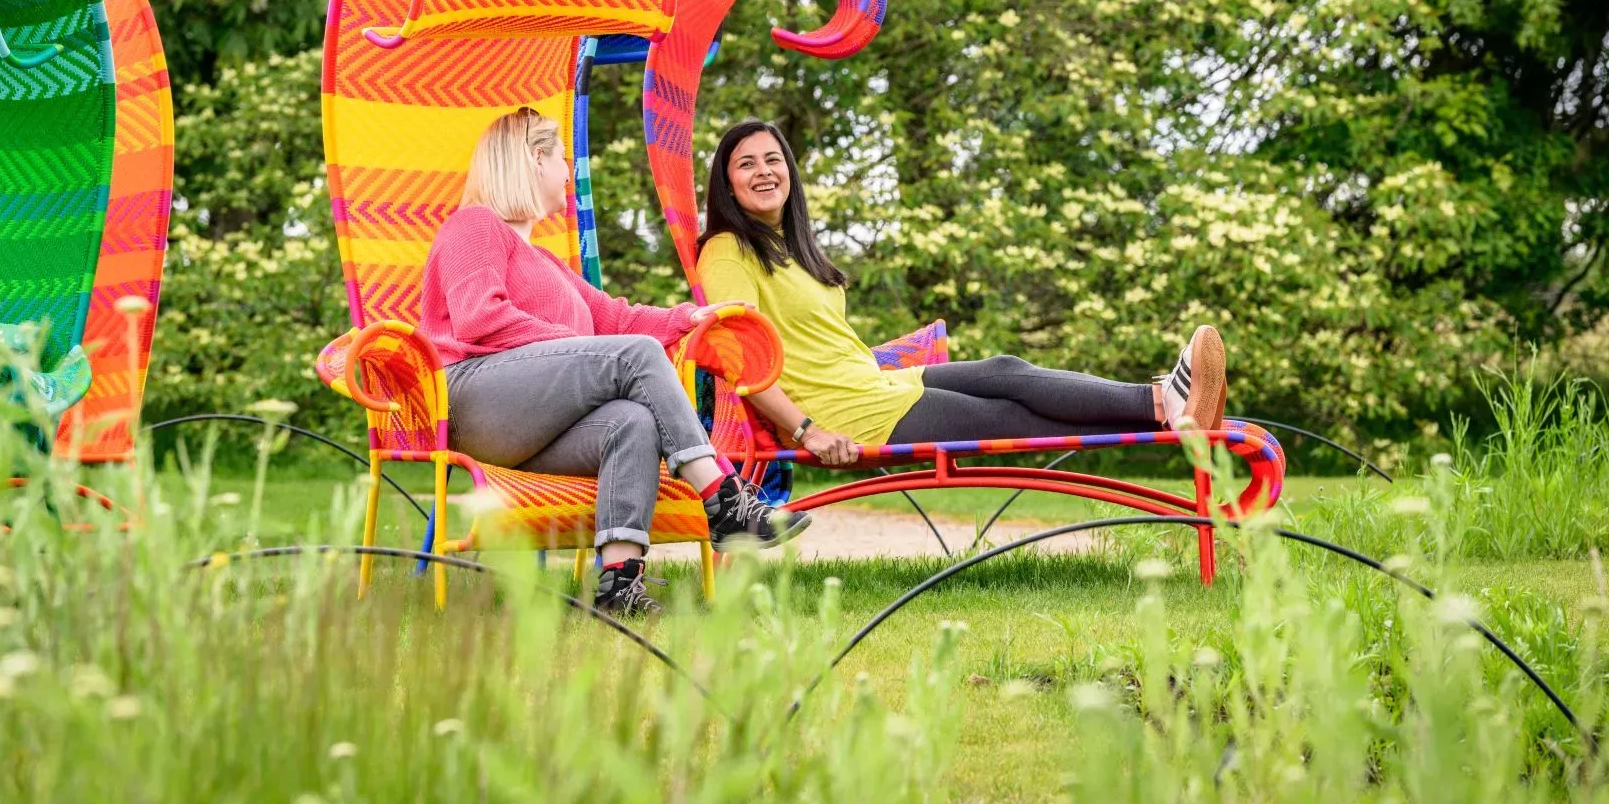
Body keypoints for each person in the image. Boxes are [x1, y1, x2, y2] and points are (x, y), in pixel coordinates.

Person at [422, 108, 809, 615]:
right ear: (536, 159)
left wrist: (690, 317)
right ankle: (723, 497)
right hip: (474, 402)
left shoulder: (543, 260)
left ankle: (619, 584)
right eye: (562, 160)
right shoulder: (475, 225)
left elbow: (613, 319)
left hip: (532, 422)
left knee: (632, 422)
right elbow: (479, 319)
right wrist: (579, 349)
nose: (568, 172)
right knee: (632, 359)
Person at [695, 120, 1228, 467]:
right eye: (747, 164)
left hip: (870, 384)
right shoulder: (726, 250)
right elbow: (738, 358)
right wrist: (807, 430)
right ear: (727, 182)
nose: (764, 172)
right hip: (846, 414)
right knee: (1003, 418)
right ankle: (1170, 413)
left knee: (1005, 370)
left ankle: (1161, 401)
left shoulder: (790, 246)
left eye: (773, 159)